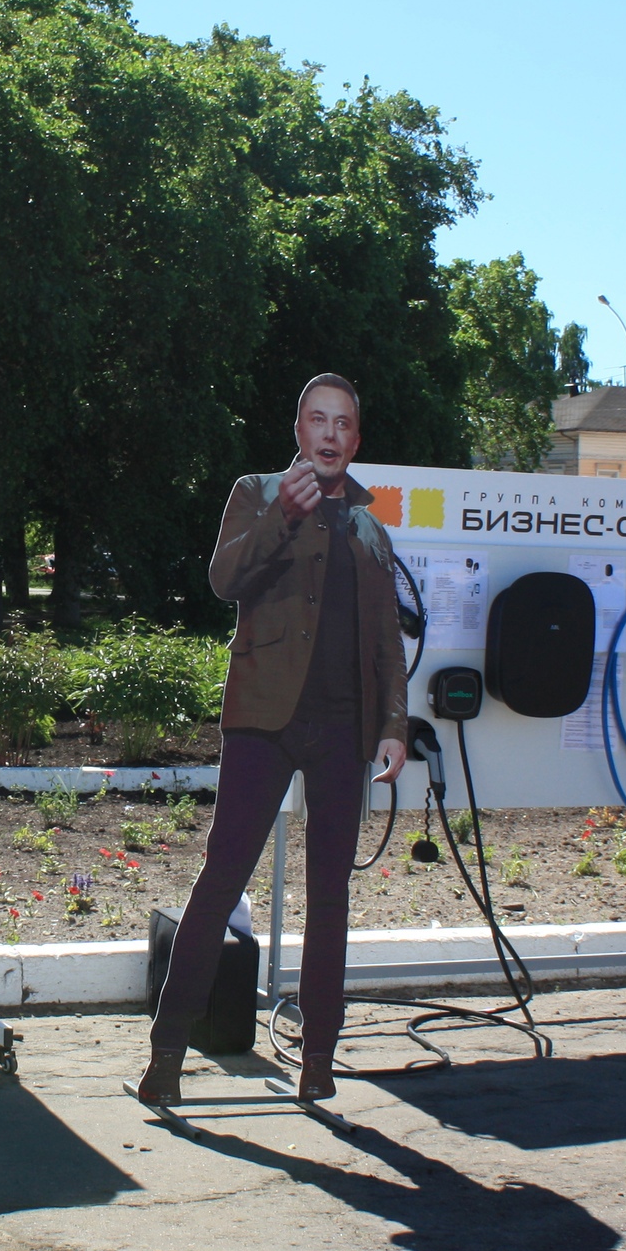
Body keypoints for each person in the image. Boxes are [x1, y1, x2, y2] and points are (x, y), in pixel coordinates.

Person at [137, 374, 407, 1105]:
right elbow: (225, 578)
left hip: (343, 726)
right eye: (317, 419)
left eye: (342, 423)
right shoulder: (256, 491)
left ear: (355, 438)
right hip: (263, 717)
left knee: (331, 895)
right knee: (222, 878)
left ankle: (319, 1055)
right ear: (298, 428)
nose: (329, 434)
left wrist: (391, 724)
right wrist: (282, 518)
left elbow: (385, 636)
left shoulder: (371, 525)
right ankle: (167, 1052)